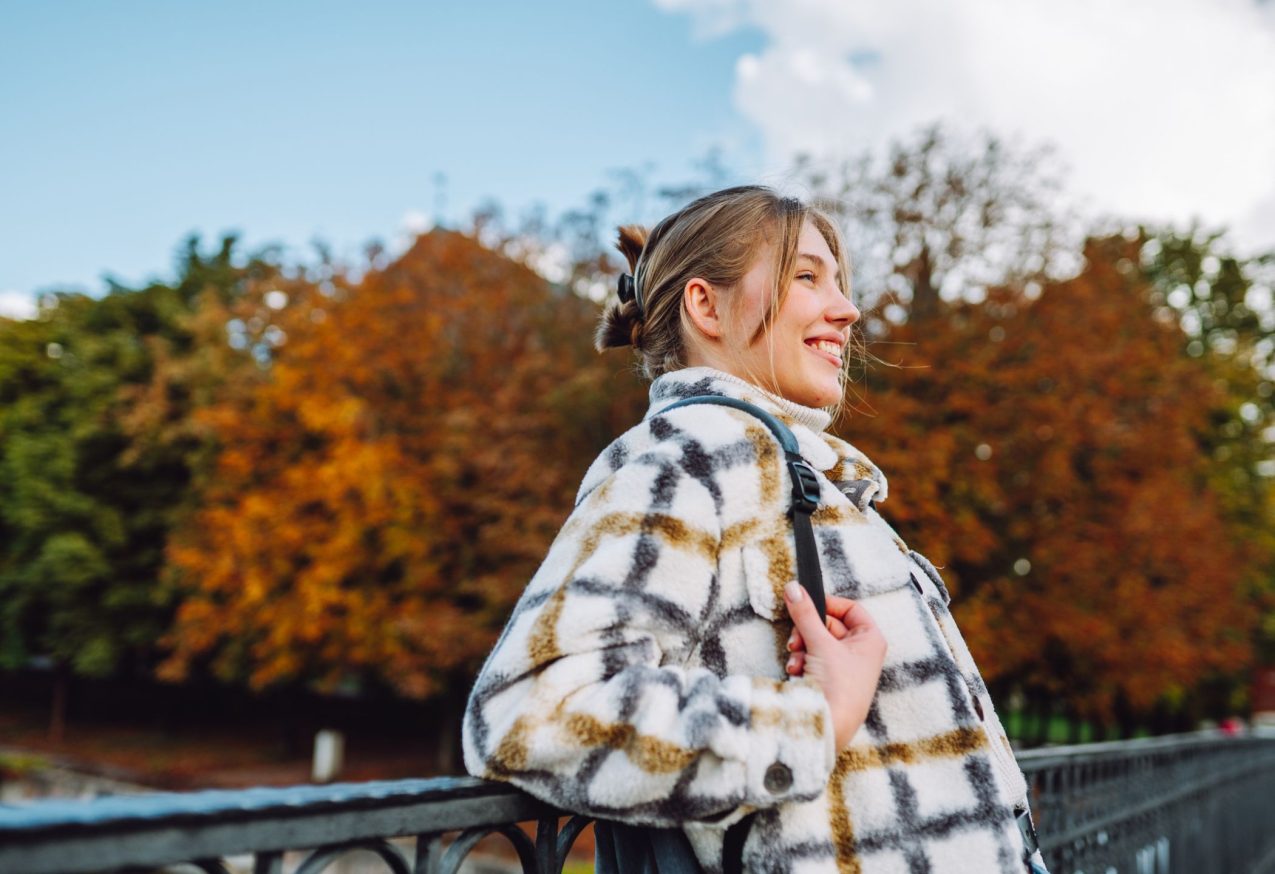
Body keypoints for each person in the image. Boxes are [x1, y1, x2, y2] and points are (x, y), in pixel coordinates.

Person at [462, 185, 1048, 873]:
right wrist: (814, 723)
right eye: (806, 277)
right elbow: (532, 710)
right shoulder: (695, 456)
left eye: (838, 281)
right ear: (704, 306)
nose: (847, 309)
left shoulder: (798, 476)